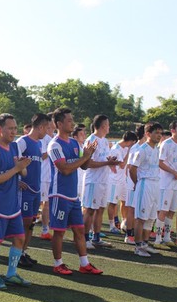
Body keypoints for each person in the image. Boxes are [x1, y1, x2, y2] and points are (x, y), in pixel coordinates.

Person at [47, 108, 102, 276]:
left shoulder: (74, 143)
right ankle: (58, 263)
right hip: (59, 195)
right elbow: (64, 169)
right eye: (69, 120)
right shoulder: (54, 145)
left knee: (79, 229)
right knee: (59, 231)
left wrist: (88, 154)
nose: (72, 123)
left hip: (73, 196)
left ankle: (84, 263)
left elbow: (83, 166)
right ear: (59, 124)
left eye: (72, 119)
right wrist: (84, 157)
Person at [0, 113, 33, 289]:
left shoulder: (14, 147)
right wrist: (17, 168)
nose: (14, 132)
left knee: (19, 238)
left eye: (15, 128)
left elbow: (22, 173)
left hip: (13, 204)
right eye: (10, 128)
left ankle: (11, 274)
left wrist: (22, 167)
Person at [15, 113, 50, 267]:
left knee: (31, 224)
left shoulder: (38, 144)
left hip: (35, 189)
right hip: (25, 190)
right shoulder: (22, 142)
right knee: (24, 222)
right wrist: (17, 180)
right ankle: (16, 253)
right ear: (40, 127)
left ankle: (23, 252)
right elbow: (12, 160)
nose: (48, 132)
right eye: (47, 128)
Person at [81, 115, 120, 248]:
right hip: (93, 181)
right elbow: (87, 163)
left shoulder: (104, 141)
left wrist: (111, 162)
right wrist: (107, 162)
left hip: (104, 180)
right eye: (108, 124)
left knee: (100, 209)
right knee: (90, 210)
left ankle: (96, 237)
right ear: (103, 126)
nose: (109, 127)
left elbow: (104, 159)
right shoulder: (91, 140)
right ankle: (84, 238)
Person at [129, 122, 164, 257]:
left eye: (160, 133)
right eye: (156, 133)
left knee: (150, 218)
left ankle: (145, 243)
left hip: (155, 184)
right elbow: (132, 168)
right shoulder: (142, 149)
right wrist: (138, 183)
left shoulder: (156, 149)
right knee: (141, 217)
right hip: (145, 184)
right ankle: (138, 246)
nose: (159, 136)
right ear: (148, 134)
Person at [154, 121, 177, 249]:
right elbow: (160, 162)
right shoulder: (166, 144)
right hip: (165, 184)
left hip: (176, 183)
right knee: (163, 211)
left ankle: (167, 237)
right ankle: (157, 239)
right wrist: (174, 172)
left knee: (171, 211)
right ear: (173, 130)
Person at [106, 131, 138, 235]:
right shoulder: (116, 149)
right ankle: (112, 225)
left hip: (123, 180)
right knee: (112, 203)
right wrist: (129, 151)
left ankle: (124, 222)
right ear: (130, 142)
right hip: (114, 180)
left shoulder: (123, 148)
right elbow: (122, 165)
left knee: (125, 201)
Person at [122, 125, 145, 245]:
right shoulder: (136, 148)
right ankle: (128, 234)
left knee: (138, 209)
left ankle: (137, 234)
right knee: (132, 208)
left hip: (142, 183)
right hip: (134, 182)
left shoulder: (147, 148)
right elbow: (130, 167)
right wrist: (135, 182)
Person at [39, 113, 55, 241]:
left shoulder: (51, 139)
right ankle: (44, 229)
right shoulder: (44, 139)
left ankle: (45, 229)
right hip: (42, 176)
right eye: (50, 127)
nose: (52, 129)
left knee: (47, 203)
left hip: (50, 176)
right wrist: (51, 151)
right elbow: (41, 156)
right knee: (42, 204)